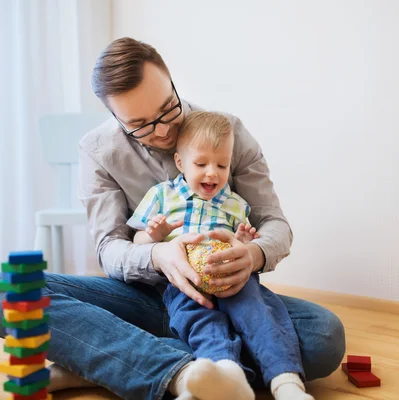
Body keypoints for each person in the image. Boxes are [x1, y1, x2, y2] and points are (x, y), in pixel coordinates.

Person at [0, 37, 345, 400]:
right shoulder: (97, 151)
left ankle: (110, 361)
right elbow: (109, 248)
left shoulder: (226, 132)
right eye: (141, 124)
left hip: (225, 296)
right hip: (142, 297)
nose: (164, 130)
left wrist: (253, 254)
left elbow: (274, 223)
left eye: (169, 108)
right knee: (5, 292)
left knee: (323, 336)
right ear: (114, 116)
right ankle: (184, 374)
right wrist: (158, 255)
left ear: (171, 81)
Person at [127, 110, 315, 400]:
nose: (212, 172)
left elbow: (245, 243)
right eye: (201, 163)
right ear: (180, 162)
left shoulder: (236, 204)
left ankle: (286, 381)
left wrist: (243, 242)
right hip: (184, 282)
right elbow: (138, 241)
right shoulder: (161, 196)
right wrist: (154, 234)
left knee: (258, 314)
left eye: (222, 165)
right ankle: (222, 377)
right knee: (200, 321)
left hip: (233, 279)